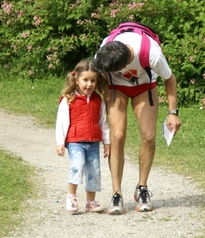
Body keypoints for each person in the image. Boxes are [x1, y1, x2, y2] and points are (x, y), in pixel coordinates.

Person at [93, 25, 182, 215]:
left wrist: (172, 112)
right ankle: (116, 193)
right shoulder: (104, 50)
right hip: (115, 88)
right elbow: (95, 76)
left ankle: (142, 188)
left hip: (144, 86)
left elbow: (170, 79)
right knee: (117, 135)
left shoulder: (151, 53)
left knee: (148, 136)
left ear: (125, 65)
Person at [55, 59, 111, 214]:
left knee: (94, 171)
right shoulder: (69, 99)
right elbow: (61, 122)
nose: (89, 84)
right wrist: (60, 142)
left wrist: (107, 141)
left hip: (93, 142)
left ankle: (90, 202)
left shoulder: (98, 100)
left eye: (93, 80)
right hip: (75, 141)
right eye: (85, 80)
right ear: (76, 80)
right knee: (77, 166)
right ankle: (71, 197)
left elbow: (103, 122)